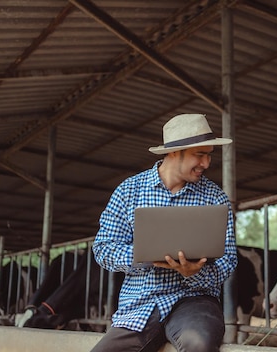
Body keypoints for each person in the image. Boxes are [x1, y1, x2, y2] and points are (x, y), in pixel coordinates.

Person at [90, 113, 237, 352]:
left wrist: (193, 273)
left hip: (195, 301)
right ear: (172, 152)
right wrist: (146, 256)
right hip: (140, 304)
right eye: (199, 154)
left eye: (209, 154)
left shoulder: (215, 197)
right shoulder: (128, 191)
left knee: (199, 344)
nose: (207, 163)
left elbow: (228, 261)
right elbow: (103, 249)